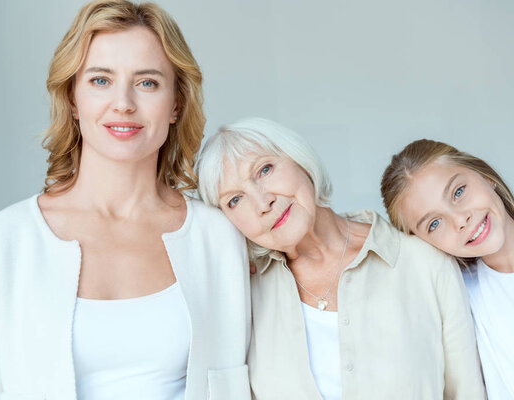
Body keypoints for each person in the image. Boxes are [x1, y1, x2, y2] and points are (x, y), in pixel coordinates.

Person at [0, 1, 251, 399]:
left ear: (176, 104)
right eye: (100, 80)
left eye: (147, 82)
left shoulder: (218, 236)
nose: (124, 103)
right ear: (73, 100)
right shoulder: (8, 240)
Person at [195, 118, 486, 400]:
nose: (262, 202)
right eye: (235, 200)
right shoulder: (244, 294)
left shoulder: (423, 262)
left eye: (265, 170)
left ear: (301, 162)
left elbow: (467, 392)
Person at [380, 139, 514, 400]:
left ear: (485, 176)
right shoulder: (455, 301)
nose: (460, 220)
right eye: (434, 223)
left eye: (458, 192)